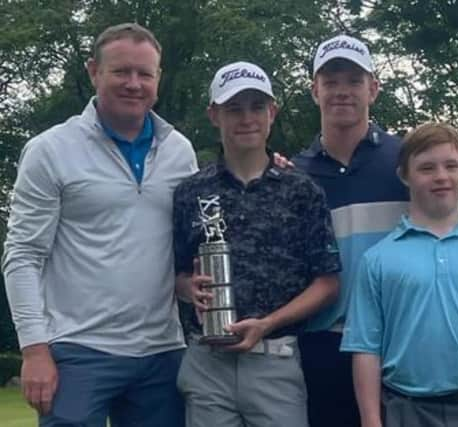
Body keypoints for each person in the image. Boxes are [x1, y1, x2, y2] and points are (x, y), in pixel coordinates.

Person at [2, 23, 197, 426]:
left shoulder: (180, 151)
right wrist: (34, 349)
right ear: (94, 71)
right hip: (77, 351)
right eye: (120, 71)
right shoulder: (50, 150)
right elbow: (23, 255)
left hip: (161, 352)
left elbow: (183, 246)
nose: (133, 83)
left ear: (158, 78)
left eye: (145, 74)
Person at [172, 61, 341, 427]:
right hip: (207, 362)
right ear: (214, 115)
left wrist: (267, 324)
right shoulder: (190, 192)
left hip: (275, 359)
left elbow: (328, 282)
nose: (246, 118)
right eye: (234, 108)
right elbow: (177, 275)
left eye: (256, 107)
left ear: (272, 112)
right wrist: (189, 288)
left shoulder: (302, 190)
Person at [341, 122, 458, 427]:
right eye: (427, 168)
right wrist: (371, 421)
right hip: (406, 411)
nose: (441, 177)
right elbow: (366, 349)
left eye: (450, 166)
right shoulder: (377, 259)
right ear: (405, 175)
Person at [293, 34, 409, 427]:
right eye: (331, 81)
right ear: (315, 90)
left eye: (354, 81)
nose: (342, 91)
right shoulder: (294, 176)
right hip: (323, 345)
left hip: (399, 340)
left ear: (373, 89)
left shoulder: (408, 161)